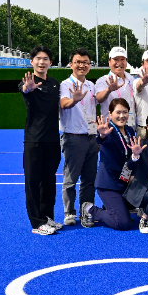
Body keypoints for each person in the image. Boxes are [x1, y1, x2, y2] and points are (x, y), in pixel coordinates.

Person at [20, 46, 62, 235]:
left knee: (49, 181)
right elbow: (24, 90)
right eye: (38, 58)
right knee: (33, 181)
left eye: (45, 58)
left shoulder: (55, 83)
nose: (42, 62)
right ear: (32, 61)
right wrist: (27, 89)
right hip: (34, 140)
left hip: (52, 140)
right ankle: (36, 223)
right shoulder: (27, 82)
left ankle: (47, 217)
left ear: (50, 63)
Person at [80, 98, 136, 231]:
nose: (122, 116)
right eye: (118, 112)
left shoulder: (130, 131)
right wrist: (102, 135)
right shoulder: (108, 130)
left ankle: (112, 208)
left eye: (125, 112)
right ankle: (90, 209)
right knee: (123, 223)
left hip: (124, 182)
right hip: (109, 184)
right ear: (110, 114)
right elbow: (103, 140)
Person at [59, 47, 98, 227]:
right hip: (73, 138)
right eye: (78, 62)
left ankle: (86, 211)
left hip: (91, 137)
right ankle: (69, 212)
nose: (82, 65)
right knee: (71, 179)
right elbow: (64, 104)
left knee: (89, 179)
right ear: (71, 64)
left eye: (85, 62)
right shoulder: (65, 85)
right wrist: (74, 99)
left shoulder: (91, 85)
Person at [95, 46, 137, 130]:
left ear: (126, 61)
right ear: (109, 62)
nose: (119, 63)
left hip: (130, 127)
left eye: (122, 59)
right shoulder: (103, 80)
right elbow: (98, 98)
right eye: (116, 59)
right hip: (111, 128)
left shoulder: (131, 80)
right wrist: (108, 90)